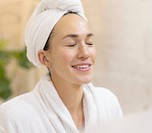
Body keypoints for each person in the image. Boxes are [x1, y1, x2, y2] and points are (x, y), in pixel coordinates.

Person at [0, 0, 123, 133]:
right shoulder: (13, 117)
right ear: (45, 58)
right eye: (71, 44)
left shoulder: (108, 103)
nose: (85, 53)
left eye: (89, 42)